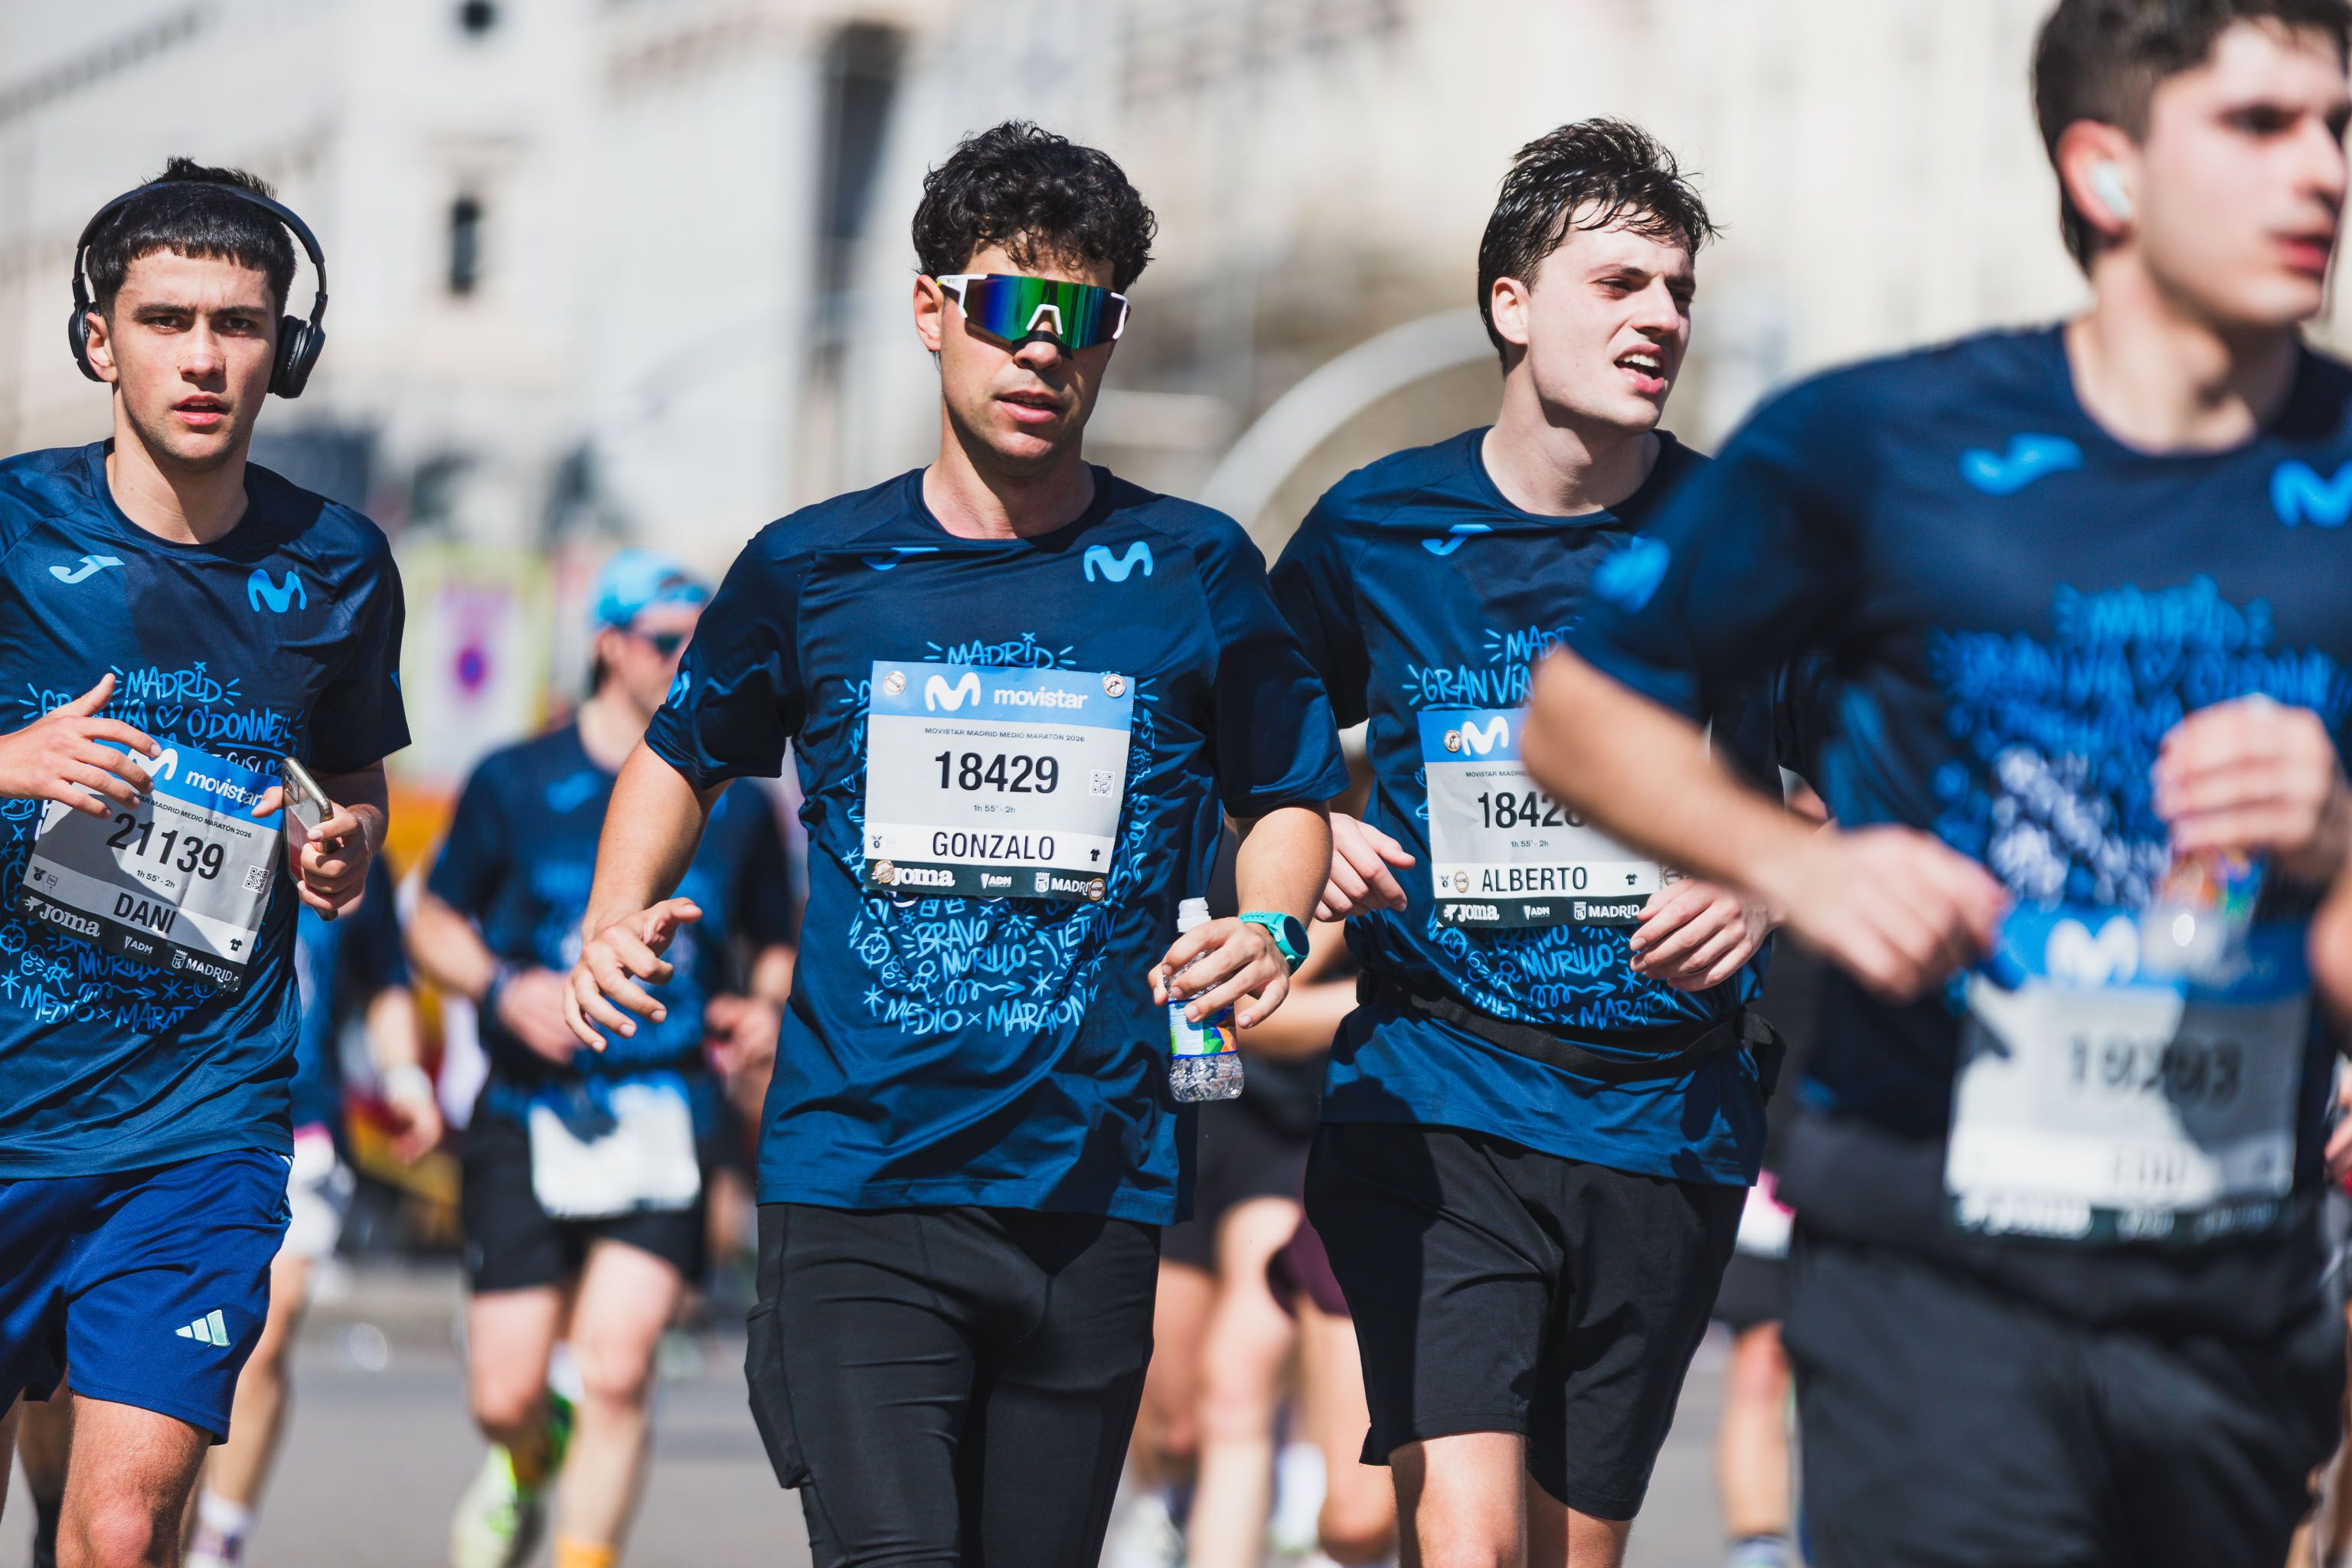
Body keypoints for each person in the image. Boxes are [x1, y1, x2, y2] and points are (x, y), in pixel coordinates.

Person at [1522, 4, 2352, 1563]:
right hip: (1931, 1267)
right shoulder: (1880, 443)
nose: (2321, 172)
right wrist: (1804, 866)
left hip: (2230, 1296)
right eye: (2259, 126)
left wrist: (2342, 841)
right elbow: (1579, 716)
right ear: (2104, 167)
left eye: (2337, 128)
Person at [564, 120, 1345, 1568]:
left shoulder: (1196, 570)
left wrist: (1275, 926)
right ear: (932, 312)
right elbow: (682, 756)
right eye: (1007, 308)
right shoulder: (814, 566)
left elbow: (1288, 791)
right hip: (860, 1175)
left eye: (1082, 320)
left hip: (1091, 1189)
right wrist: (616, 911)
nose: (1042, 351)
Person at [1270, 119, 1797, 1568]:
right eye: (1618, 282)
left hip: (1666, 1116)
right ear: (1510, 302)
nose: (1659, 319)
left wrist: (1761, 874)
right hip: (1436, 1098)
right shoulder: (1372, 529)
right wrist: (1301, 825)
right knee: (1470, 1546)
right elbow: (1242, 738)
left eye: (1677, 290)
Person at [0, 158, 406, 1568]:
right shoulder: (10, 528)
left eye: (237, 324)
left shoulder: (341, 563)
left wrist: (350, 846)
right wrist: (7, 764)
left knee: (122, 1531)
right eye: (165, 320)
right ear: (98, 340)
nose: (202, 357)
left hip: (198, 1121)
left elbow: (353, 791)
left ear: (283, 349)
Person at [408, 548, 797, 1568]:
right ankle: (528, 1460)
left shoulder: (741, 802)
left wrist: (759, 1009)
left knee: (620, 1370)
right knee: (506, 1393)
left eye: (698, 643)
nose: (685, 661)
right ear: (609, 645)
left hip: (666, 1108)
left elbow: (778, 939)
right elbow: (432, 920)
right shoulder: (514, 779)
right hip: (529, 1105)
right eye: (668, 642)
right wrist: (502, 986)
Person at [15, 854, 438, 1568]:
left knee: (259, 1345)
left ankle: (219, 1540)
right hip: (96, 1116)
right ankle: (61, 1515)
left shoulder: (335, 834)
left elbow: (386, 976)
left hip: (277, 1125)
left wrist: (404, 1079)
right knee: (59, 1373)